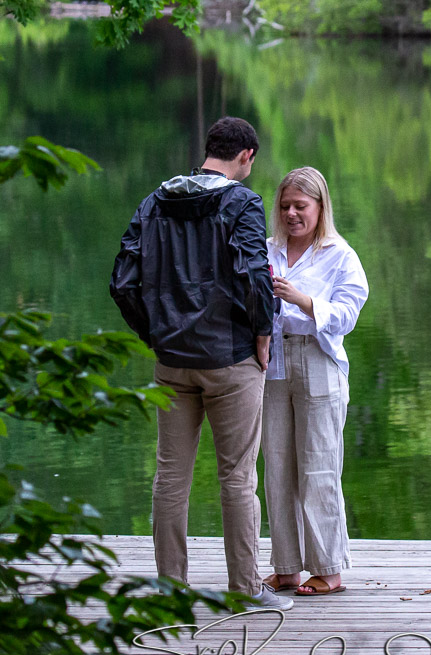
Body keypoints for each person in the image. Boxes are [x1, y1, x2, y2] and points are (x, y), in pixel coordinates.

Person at [110, 117, 292, 611]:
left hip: (173, 360)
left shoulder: (155, 201)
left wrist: (156, 334)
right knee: (236, 477)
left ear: (208, 149)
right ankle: (246, 588)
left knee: (170, 475)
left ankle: (171, 589)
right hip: (231, 359)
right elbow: (256, 276)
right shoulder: (241, 204)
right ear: (246, 157)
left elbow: (123, 282)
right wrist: (262, 335)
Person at [261, 167, 368, 597]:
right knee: (277, 466)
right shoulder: (265, 249)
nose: (291, 214)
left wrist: (302, 300)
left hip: (318, 360)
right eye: (285, 206)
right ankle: (286, 567)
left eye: (300, 206)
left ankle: (328, 568)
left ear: (320, 208)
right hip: (272, 362)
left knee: (320, 467)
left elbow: (346, 316)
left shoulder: (340, 255)